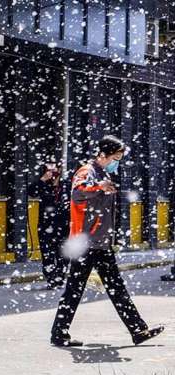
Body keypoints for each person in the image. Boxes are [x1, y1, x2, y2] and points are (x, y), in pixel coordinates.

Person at [50, 135, 164, 347]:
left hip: (98, 242)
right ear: (103, 154)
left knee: (107, 287)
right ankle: (60, 333)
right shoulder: (87, 172)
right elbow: (77, 194)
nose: (117, 162)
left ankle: (137, 329)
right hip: (87, 243)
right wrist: (98, 187)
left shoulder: (101, 173)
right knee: (83, 288)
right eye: (116, 157)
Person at [28, 163, 70, 290]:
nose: (51, 172)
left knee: (63, 255)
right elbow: (31, 193)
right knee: (47, 255)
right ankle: (51, 279)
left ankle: (60, 278)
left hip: (64, 226)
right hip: (45, 226)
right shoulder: (42, 186)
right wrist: (42, 180)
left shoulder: (66, 186)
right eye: (48, 169)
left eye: (54, 169)